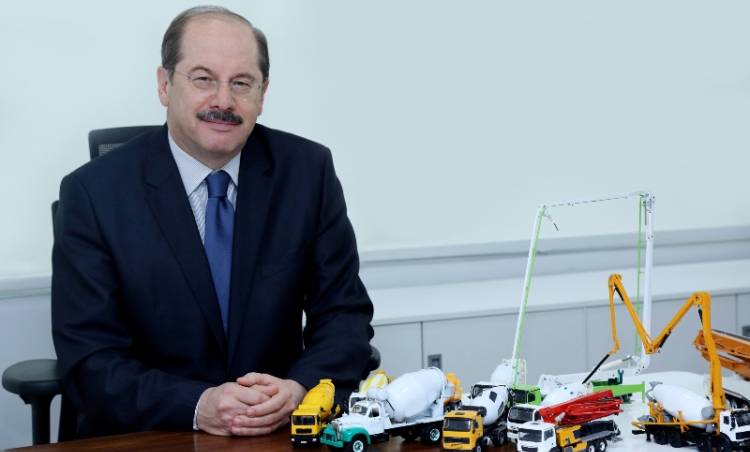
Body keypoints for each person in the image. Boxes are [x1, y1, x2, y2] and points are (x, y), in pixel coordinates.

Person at [51, 5, 374, 438]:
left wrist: (300, 389)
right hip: (152, 435)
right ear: (165, 85)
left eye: (241, 83)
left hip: (277, 430)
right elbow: (89, 359)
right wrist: (198, 405)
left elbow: (344, 315)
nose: (223, 101)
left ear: (262, 93)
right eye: (203, 79)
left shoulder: (307, 173)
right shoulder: (94, 194)